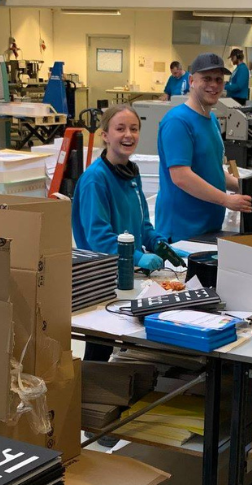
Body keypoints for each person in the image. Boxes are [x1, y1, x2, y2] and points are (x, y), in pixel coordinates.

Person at [71, 105, 167, 361]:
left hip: (128, 274)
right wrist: (138, 257)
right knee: (101, 347)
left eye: (134, 129)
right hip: (101, 277)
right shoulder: (95, 179)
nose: (128, 135)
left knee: (131, 339)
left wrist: (158, 243)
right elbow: (99, 238)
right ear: (105, 135)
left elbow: (142, 223)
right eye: (120, 129)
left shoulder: (130, 173)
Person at [156, 53, 252, 243]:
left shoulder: (212, 120)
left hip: (208, 228)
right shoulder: (178, 121)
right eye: (207, 79)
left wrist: (246, 188)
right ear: (192, 81)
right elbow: (181, 177)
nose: (214, 85)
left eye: (219, 79)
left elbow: (212, 170)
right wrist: (227, 200)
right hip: (182, 233)